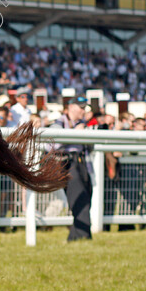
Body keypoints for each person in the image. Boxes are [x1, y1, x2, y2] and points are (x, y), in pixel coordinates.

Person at [51, 97, 93, 241]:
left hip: (82, 162)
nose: (84, 111)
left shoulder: (82, 124)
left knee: (86, 197)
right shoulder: (59, 123)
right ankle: (83, 236)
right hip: (68, 163)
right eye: (81, 107)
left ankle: (76, 235)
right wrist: (75, 132)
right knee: (80, 199)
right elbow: (52, 144)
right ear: (71, 107)